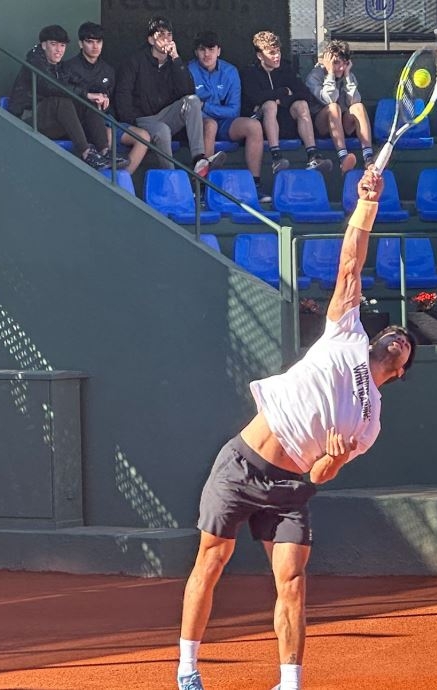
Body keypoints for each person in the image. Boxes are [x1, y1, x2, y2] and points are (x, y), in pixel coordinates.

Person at [176, 167, 416, 690]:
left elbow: (322, 474)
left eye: (405, 347)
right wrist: (366, 204)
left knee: (292, 581)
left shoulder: (369, 422)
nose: (398, 338)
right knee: (211, 561)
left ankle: (289, 683)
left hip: (289, 490)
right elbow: (351, 259)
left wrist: (326, 461)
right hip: (240, 465)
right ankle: (188, 669)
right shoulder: (347, 331)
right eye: (394, 333)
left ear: (397, 373)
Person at [114, 16, 225, 177]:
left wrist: (176, 59)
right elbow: (122, 97)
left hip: (165, 116)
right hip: (142, 120)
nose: (166, 39)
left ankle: (199, 159)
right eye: (161, 35)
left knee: (193, 101)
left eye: (169, 35)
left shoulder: (175, 62)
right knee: (162, 129)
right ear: (151, 40)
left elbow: (188, 92)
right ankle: (172, 179)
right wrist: (134, 123)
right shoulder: (134, 61)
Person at [6, 25, 111, 170]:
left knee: (88, 101)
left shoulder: (59, 66)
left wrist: (99, 95)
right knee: (61, 100)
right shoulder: (35, 62)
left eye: (62, 45)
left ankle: (105, 152)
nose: (59, 50)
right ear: (43, 45)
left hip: (53, 123)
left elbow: (80, 83)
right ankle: (87, 153)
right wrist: (85, 94)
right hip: (29, 120)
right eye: (53, 44)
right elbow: (50, 86)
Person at [188, 31, 270, 202]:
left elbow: (233, 110)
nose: (207, 54)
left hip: (227, 123)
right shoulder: (189, 69)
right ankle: (203, 186)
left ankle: (255, 184)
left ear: (219, 51)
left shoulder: (230, 71)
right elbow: (191, 109)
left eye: (211, 49)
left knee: (254, 126)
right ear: (196, 52)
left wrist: (206, 106)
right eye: (202, 50)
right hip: (201, 124)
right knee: (210, 124)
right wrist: (208, 110)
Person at [61, 21, 151, 174]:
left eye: (99, 42)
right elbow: (65, 97)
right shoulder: (69, 67)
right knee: (107, 134)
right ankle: (106, 182)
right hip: (82, 123)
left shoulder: (108, 70)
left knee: (143, 137)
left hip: (107, 119)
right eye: (90, 42)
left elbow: (110, 102)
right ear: (81, 44)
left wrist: (106, 102)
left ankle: (122, 180)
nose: (95, 46)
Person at [240, 30, 332, 175]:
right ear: (260, 55)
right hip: (261, 126)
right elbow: (255, 98)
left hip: (286, 123)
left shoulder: (285, 69)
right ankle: (276, 158)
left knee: (301, 104)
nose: (276, 56)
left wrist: (282, 100)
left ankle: (313, 156)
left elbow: (304, 94)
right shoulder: (250, 72)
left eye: (278, 52)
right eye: (271, 53)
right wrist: (282, 91)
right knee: (269, 105)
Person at [304, 40, 375, 174]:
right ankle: (343, 157)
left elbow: (354, 100)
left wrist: (347, 76)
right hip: (322, 126)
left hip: (343, 124)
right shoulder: (314, 76)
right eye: (336, 63)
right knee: (333, 107)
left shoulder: (348, 74)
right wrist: (330, 73)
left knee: (358, 106)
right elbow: (329, 99)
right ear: (326, 61)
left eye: (345, 63)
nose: (341, 68)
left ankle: (368, 158)